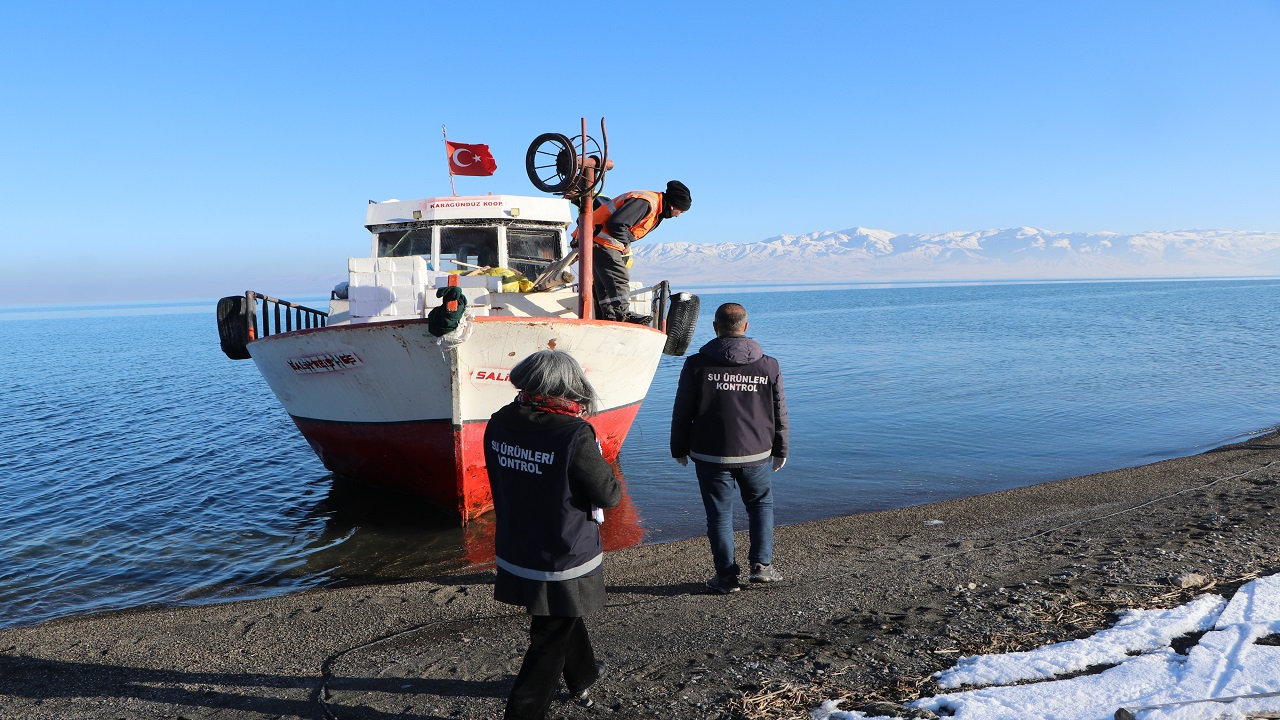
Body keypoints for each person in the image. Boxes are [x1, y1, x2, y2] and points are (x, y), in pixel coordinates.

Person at [485, 349, 622, 719]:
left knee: (560, 617)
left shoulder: (499, 421)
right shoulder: (573, 433)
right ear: (569, 385)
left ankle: (583, 675)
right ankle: (523, 712)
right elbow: (608, 494)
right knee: (548, 638)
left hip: (517, 542)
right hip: (563, 551)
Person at [670, 302, 789, 594]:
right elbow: (779, 412)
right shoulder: (768, 364)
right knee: (760, 506)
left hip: (710, 454)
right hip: (756, 452)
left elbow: (682, 409)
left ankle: (726, 577)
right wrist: (781, 449)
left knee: (719, 515)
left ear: (715, 328)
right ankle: (762, 567)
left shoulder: (697, 364)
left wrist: (678, 448)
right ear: (745, 327)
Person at [584, 179, 691, 323]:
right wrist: (625, 241)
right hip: (600, 240)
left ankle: (609, 315)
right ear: (673, 206)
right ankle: (623, 315)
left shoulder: (655, 206)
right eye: (680, 211)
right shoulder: (647, 203)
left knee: (605, 282)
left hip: (594, 238)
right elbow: (616, 224)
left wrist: (625, 241)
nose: (678, 216)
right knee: (618, 277)